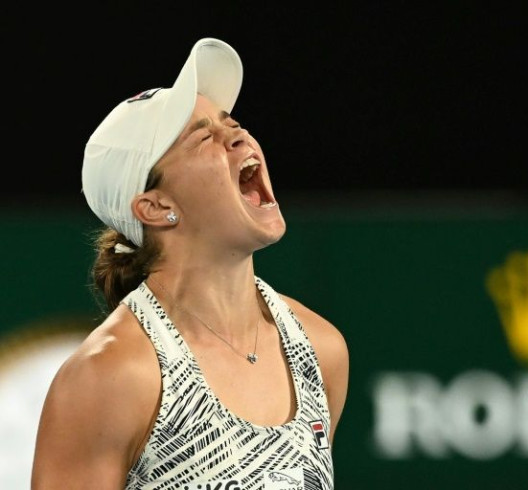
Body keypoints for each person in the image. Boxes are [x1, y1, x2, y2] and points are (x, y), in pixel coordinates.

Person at [31, 37, 349, 490]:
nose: (237, 136)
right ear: (157, 207)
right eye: (203, 137)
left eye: (231, 123)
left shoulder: (321, 350)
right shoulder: (109, 377)